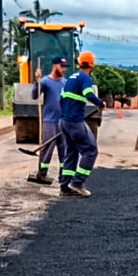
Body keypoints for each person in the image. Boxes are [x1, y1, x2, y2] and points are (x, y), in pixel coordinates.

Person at [59, 50, 105, 197]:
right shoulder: (85, 78)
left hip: (64, 121)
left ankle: (65, 186)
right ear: (91, 65)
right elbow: (88, 94)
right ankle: (78, 183)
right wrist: (99, 102)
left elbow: (61, 99)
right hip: (74, 121)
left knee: (71, 153)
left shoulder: (71, 78)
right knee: (91, 150)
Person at [28, 56, 68, 185]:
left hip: (63, 121)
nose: (64, 70)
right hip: (49, 121)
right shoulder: (45, 81)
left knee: (65, 150)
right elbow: (35, 96)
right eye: (61, 67)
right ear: (55, 66)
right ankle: (42, 174)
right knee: (47, 149)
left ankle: (64, 175)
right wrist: (37, 81)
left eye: (64, 67)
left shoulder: (65, 83)